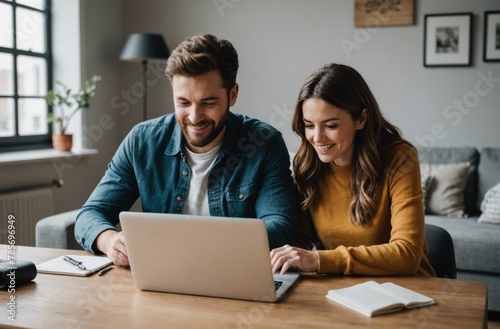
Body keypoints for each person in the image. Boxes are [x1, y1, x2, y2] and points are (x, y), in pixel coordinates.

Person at [75, 33, 297, 266]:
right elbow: (91, 214)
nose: (194, 117)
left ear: (232, 95)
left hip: (232, 270)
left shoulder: (263, 142)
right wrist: (108, 240)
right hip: (160, 274)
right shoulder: (141, 141)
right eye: (183, 103)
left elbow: (280, 225)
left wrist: (206, 247)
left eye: (208, 103)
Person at [270, 63, 435, 277]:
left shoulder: (399, 158)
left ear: (361, 119)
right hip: (342, 290)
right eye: (309, 125)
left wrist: (319, 259)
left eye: (330, 126)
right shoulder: (308, 164)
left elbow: (407, 254)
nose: (317, 138)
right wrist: (280, 258)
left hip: (406, 289)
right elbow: (301, 239)